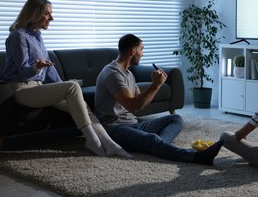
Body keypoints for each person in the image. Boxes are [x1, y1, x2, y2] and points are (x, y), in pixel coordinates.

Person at [2, 0, 130, 158]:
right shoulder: (18, 36)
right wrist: (38, 66)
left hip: (38, 88)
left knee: (80, 101)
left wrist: (63, 86)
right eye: (47, 13)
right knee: (72, 87)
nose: (52, 18)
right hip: (21, 89)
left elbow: (49, 72)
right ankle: (92, 140)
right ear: (35, 13)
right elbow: (24, 72)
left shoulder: (37, 36)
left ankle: (109, 143)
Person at [94, 34, 224, 165]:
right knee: (151, 139)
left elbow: (141, 105)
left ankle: (159, 146)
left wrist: (157, 85)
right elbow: (132, 106)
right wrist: (155, 85)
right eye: (141, 49)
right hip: (115, 129)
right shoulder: (113, 74)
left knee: (176, 119)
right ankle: (197, 157)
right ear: (133, 51)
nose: (142, 54)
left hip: (134, 124)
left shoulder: (128, 73)